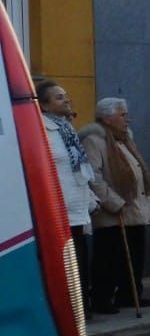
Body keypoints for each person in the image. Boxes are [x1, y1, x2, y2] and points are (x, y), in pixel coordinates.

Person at [79, 97, 150, 316]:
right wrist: (114, 202)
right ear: (107, 117)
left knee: (135, 252)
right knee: (108, 256)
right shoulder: (95, 140)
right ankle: (102, 298)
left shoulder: (124, 138)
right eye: (122, 114)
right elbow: (94, 176)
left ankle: (130, 294)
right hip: (112, 209)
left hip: (134, 205)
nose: (127, 119)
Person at [37, 80, 95, 307]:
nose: (67, 99)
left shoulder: (67, 128)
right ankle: (68, 306)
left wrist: (91, 197)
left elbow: (79, 168)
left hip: (77, 204)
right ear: (45, 105)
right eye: (59, 97)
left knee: (80, 258)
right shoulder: (42, 130)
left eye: (66, 95)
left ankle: (82, 304)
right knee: (66, 261)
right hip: (58, 207)